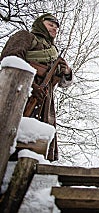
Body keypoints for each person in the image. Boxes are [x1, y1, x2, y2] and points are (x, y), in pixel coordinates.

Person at [0, 13, 73, 161]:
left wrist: (66, 72)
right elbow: (11, 59)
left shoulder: (54, 52)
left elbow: (62, 83)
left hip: (45, 98)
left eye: (56, 27)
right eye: (50, 24)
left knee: (39, 136)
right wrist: (30, 86)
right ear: (40, 24)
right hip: (21, 90)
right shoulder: (26, 36)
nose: (54, 28)